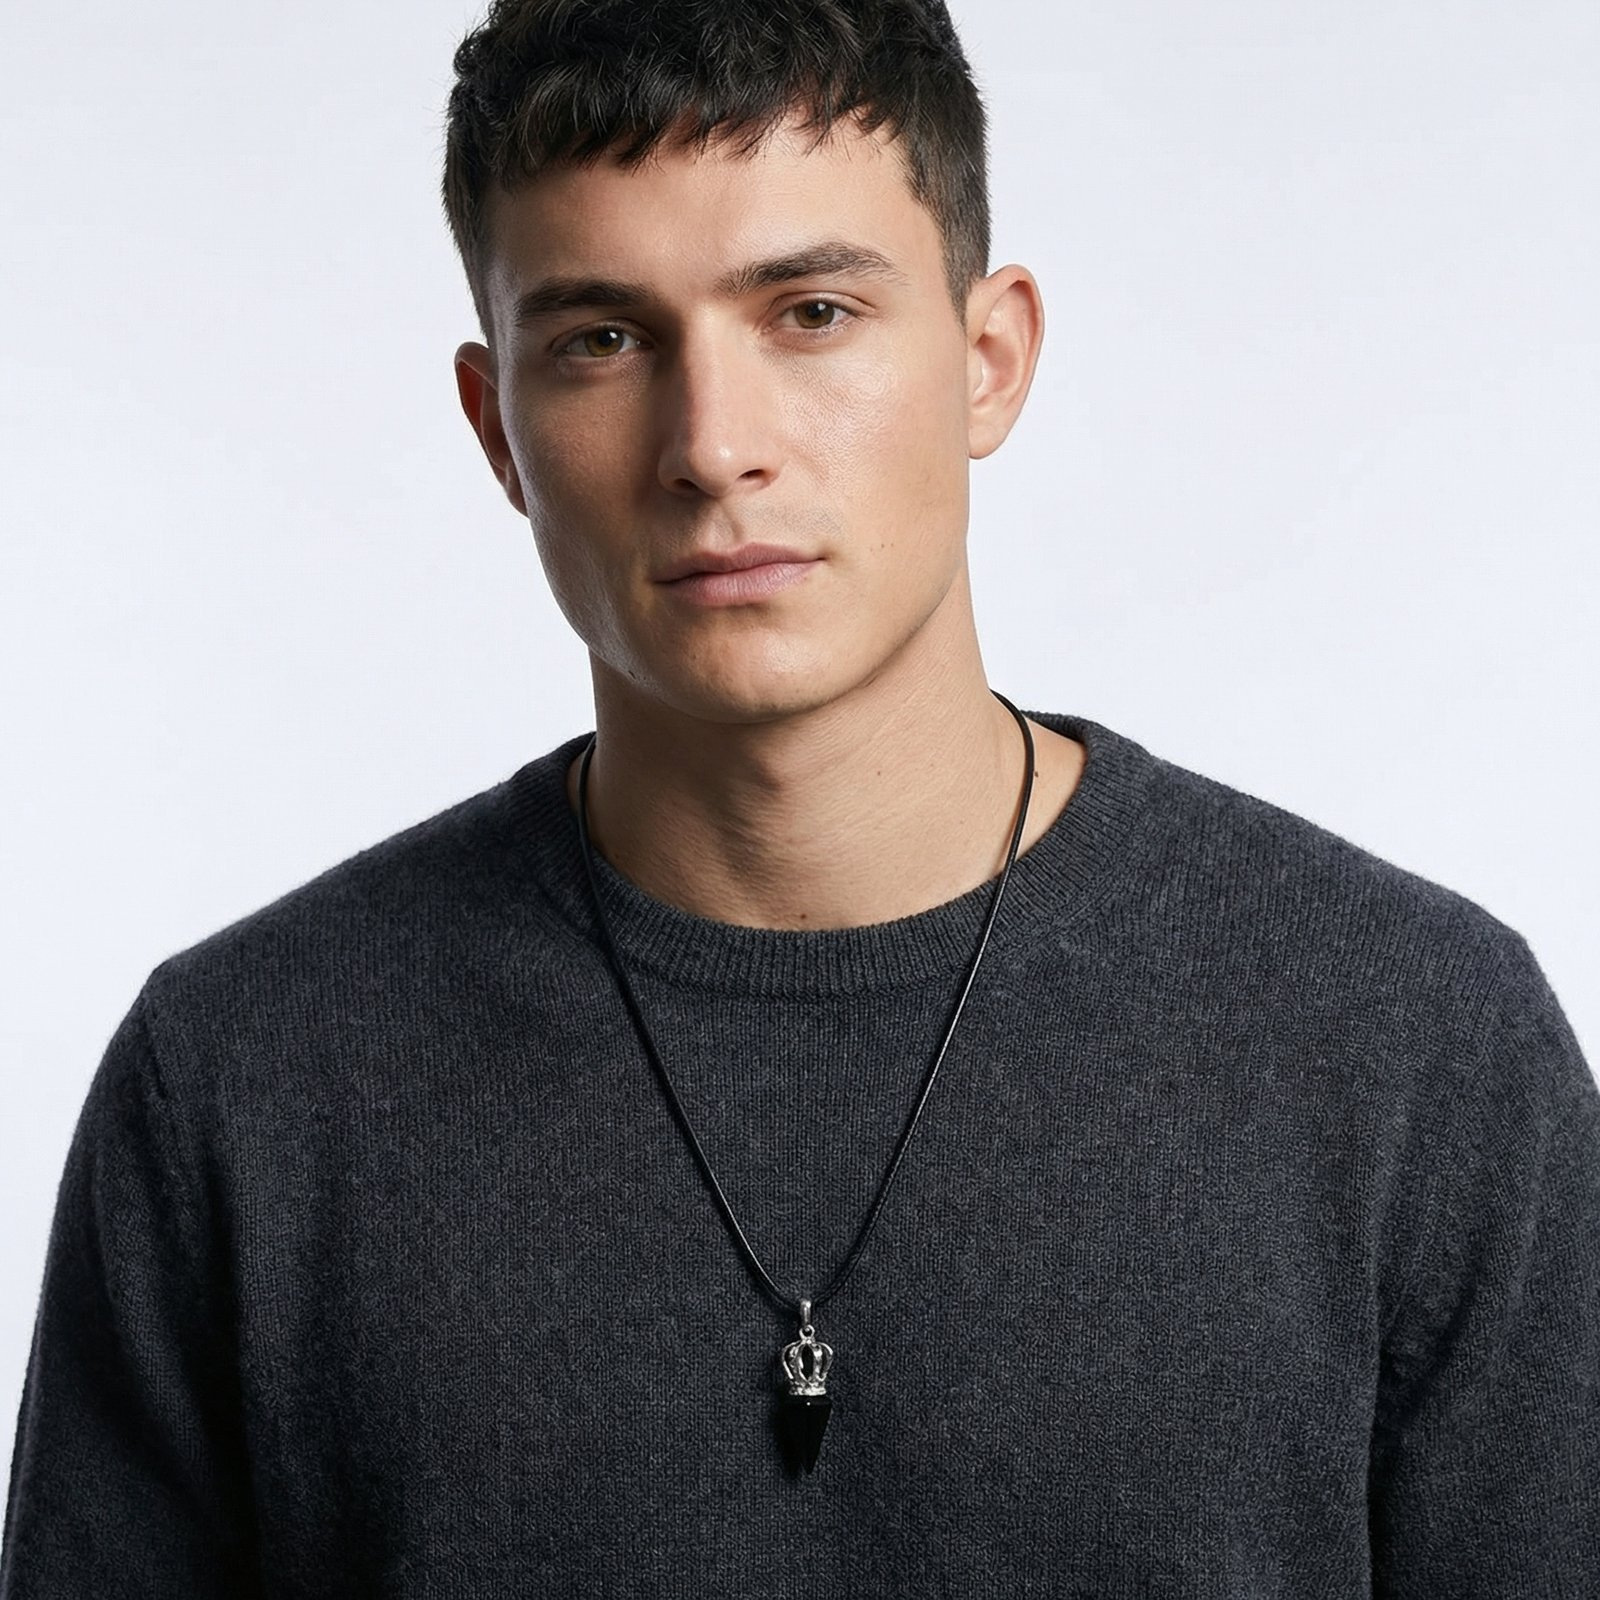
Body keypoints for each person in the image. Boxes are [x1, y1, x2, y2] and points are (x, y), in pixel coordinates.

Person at [3, 0, 1597, 1592]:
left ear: (989, 360)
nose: (715, 447)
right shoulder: (243, 1083)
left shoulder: (1414, 1050)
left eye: (813, 312)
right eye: (603, 341)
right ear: (499, 431)